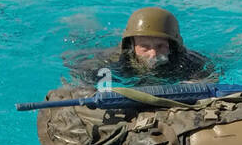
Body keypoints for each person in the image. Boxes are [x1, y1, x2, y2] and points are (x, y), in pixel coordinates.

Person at [63, 7, 218, 86]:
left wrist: (199, 83)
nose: (153, 54)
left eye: (160, 46)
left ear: (172, 46)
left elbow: (212, 76)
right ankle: (83, 22)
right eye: (144, 47)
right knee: (87, 39)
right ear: (132, 46)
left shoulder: (189, 61)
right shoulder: (112, 62)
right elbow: (79, 72)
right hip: (97, 45)